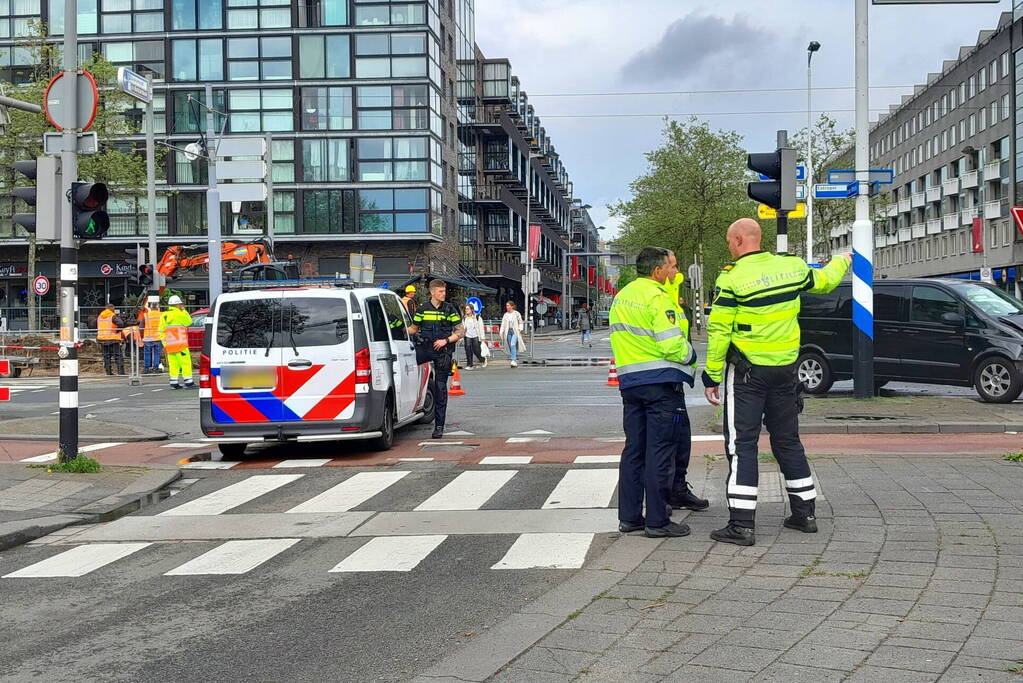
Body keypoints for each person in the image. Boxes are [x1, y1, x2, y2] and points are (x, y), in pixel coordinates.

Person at [702, 218, 851, 547]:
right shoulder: (793, 267)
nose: (728, 246)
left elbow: (719, 331)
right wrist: (841, 260)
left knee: (742, 445)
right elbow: (826, 281)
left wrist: (711, 375)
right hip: (786, 371)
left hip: (748, 374)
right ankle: (805, 514)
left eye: (729, 241)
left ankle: (742, 524)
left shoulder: (732, 278)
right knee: (788, 441)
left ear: (738, 240)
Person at [610, 246, 703, 539]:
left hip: (630, 383)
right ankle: (658, 520)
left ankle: (629, 518)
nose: (675, 271)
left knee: (634, 451)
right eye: (671, 267)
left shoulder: (622, 296)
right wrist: (691, 355)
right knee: (660, 451)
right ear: (657, 271)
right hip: (661, 385)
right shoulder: (657, 298)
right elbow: (671, 344)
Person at [410, 280, 464, 438]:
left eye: (444, 291)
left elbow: (460, 331)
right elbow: (413, 329)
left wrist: (446, 340)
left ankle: (439, 426)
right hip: (425, 350)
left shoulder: (449, 309)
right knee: (412, 379)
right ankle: (412, 411)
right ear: (432, 292)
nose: (443, 294)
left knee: (441, 389)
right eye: (440, 291)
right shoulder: (422, 309)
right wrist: (396, 328)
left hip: (443, 352)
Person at [160, 295, 195, 389]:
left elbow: (161, 331)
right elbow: (189, 322)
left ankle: (174, 382)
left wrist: (165, 344)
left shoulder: (164, 315)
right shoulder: (180, 313)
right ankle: (188, 382)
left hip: (170, 345)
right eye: (180, 304)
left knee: (173, 365)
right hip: (181, 344)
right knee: (185, 363)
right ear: (177, 305)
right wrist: (184, 311)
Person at [95, 303, 126, 376]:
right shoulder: (112, 316)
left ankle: (108, 372)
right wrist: (117, 330)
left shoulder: (100, 316)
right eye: (114, 308)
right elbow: (121, 323)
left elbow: (93, 324)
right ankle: (121, 372)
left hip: (102, 339)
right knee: (118, 356)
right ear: (111, 308)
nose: (114, 310)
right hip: (112, 339)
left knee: (106, 357)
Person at [139, 296, 163, 375]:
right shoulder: (161, 315)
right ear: (157, 307)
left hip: (148, 338)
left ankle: (147, 368)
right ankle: (156, 368)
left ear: (150, 307)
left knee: (147, 353)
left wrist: (142, 337)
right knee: (157, 354)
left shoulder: (146, 315)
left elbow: (141, 328)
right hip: (158, 338)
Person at [499, 301, 525, 368]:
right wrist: (501, 331)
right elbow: (503, 324)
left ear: (512, 306)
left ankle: (513, 360)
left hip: (515, 331)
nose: (507, 307)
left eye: (508, 305)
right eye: (506, 305)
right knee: (510, 346)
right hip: (508, 331)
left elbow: (520, 322)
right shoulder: (505, 315)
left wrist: (520, 328)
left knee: (513, 344)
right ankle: (514, 359)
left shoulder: (516, 314)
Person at [461, 303, 487, 370]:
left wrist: (483, 338)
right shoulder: (464, 318)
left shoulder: (477, 317)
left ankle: (483, 359)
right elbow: (463, 328)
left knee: (476, 350)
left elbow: (481, 328)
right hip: (467, 336)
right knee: (468, 350)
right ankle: (469, 364)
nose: (466, 310)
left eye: (468, 309)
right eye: (465, 309)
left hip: (476, 335)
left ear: (471, 309)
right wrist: (461, 336)